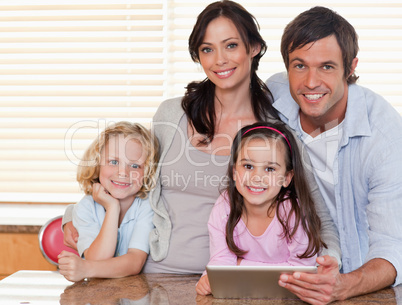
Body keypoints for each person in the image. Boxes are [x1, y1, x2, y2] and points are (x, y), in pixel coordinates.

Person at [63, 0, 340, 274]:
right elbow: (128, 177)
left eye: (231, 45)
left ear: (253, 48)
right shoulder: (171, 115)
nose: (219, 59)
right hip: (153, 275)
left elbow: (318, 215)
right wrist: (72, 216)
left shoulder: (277, 133)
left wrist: (330, 261)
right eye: (208, 49)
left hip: (231, 282)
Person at [266, 6, 402, 304]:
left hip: (361, 278)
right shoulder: (274, 95)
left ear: (350, 67)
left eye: (327, 67)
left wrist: (343, 285)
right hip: (296, 274)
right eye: (299, 66)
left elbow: (391, 247)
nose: (311, 82)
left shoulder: (385, 136)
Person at [196, 122, 327, 295]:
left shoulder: (294, 213)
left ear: (286, 178)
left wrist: (240, 265)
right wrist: (209, 279)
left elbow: (301, 272)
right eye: (248, 166)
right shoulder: (224, 207)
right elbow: (221, 263)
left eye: (270, 169)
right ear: (235, 172)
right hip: (242, 293)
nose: (257, 177)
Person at [58, 121, 159, 282]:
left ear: (147, 172)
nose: (123, 173)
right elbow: (98, 260)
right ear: (97, 164)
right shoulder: (86, 207)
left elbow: (134, 262)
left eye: (135, 165)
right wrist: (113, 208)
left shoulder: (146, 206)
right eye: (113, 162)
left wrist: (85, 268)